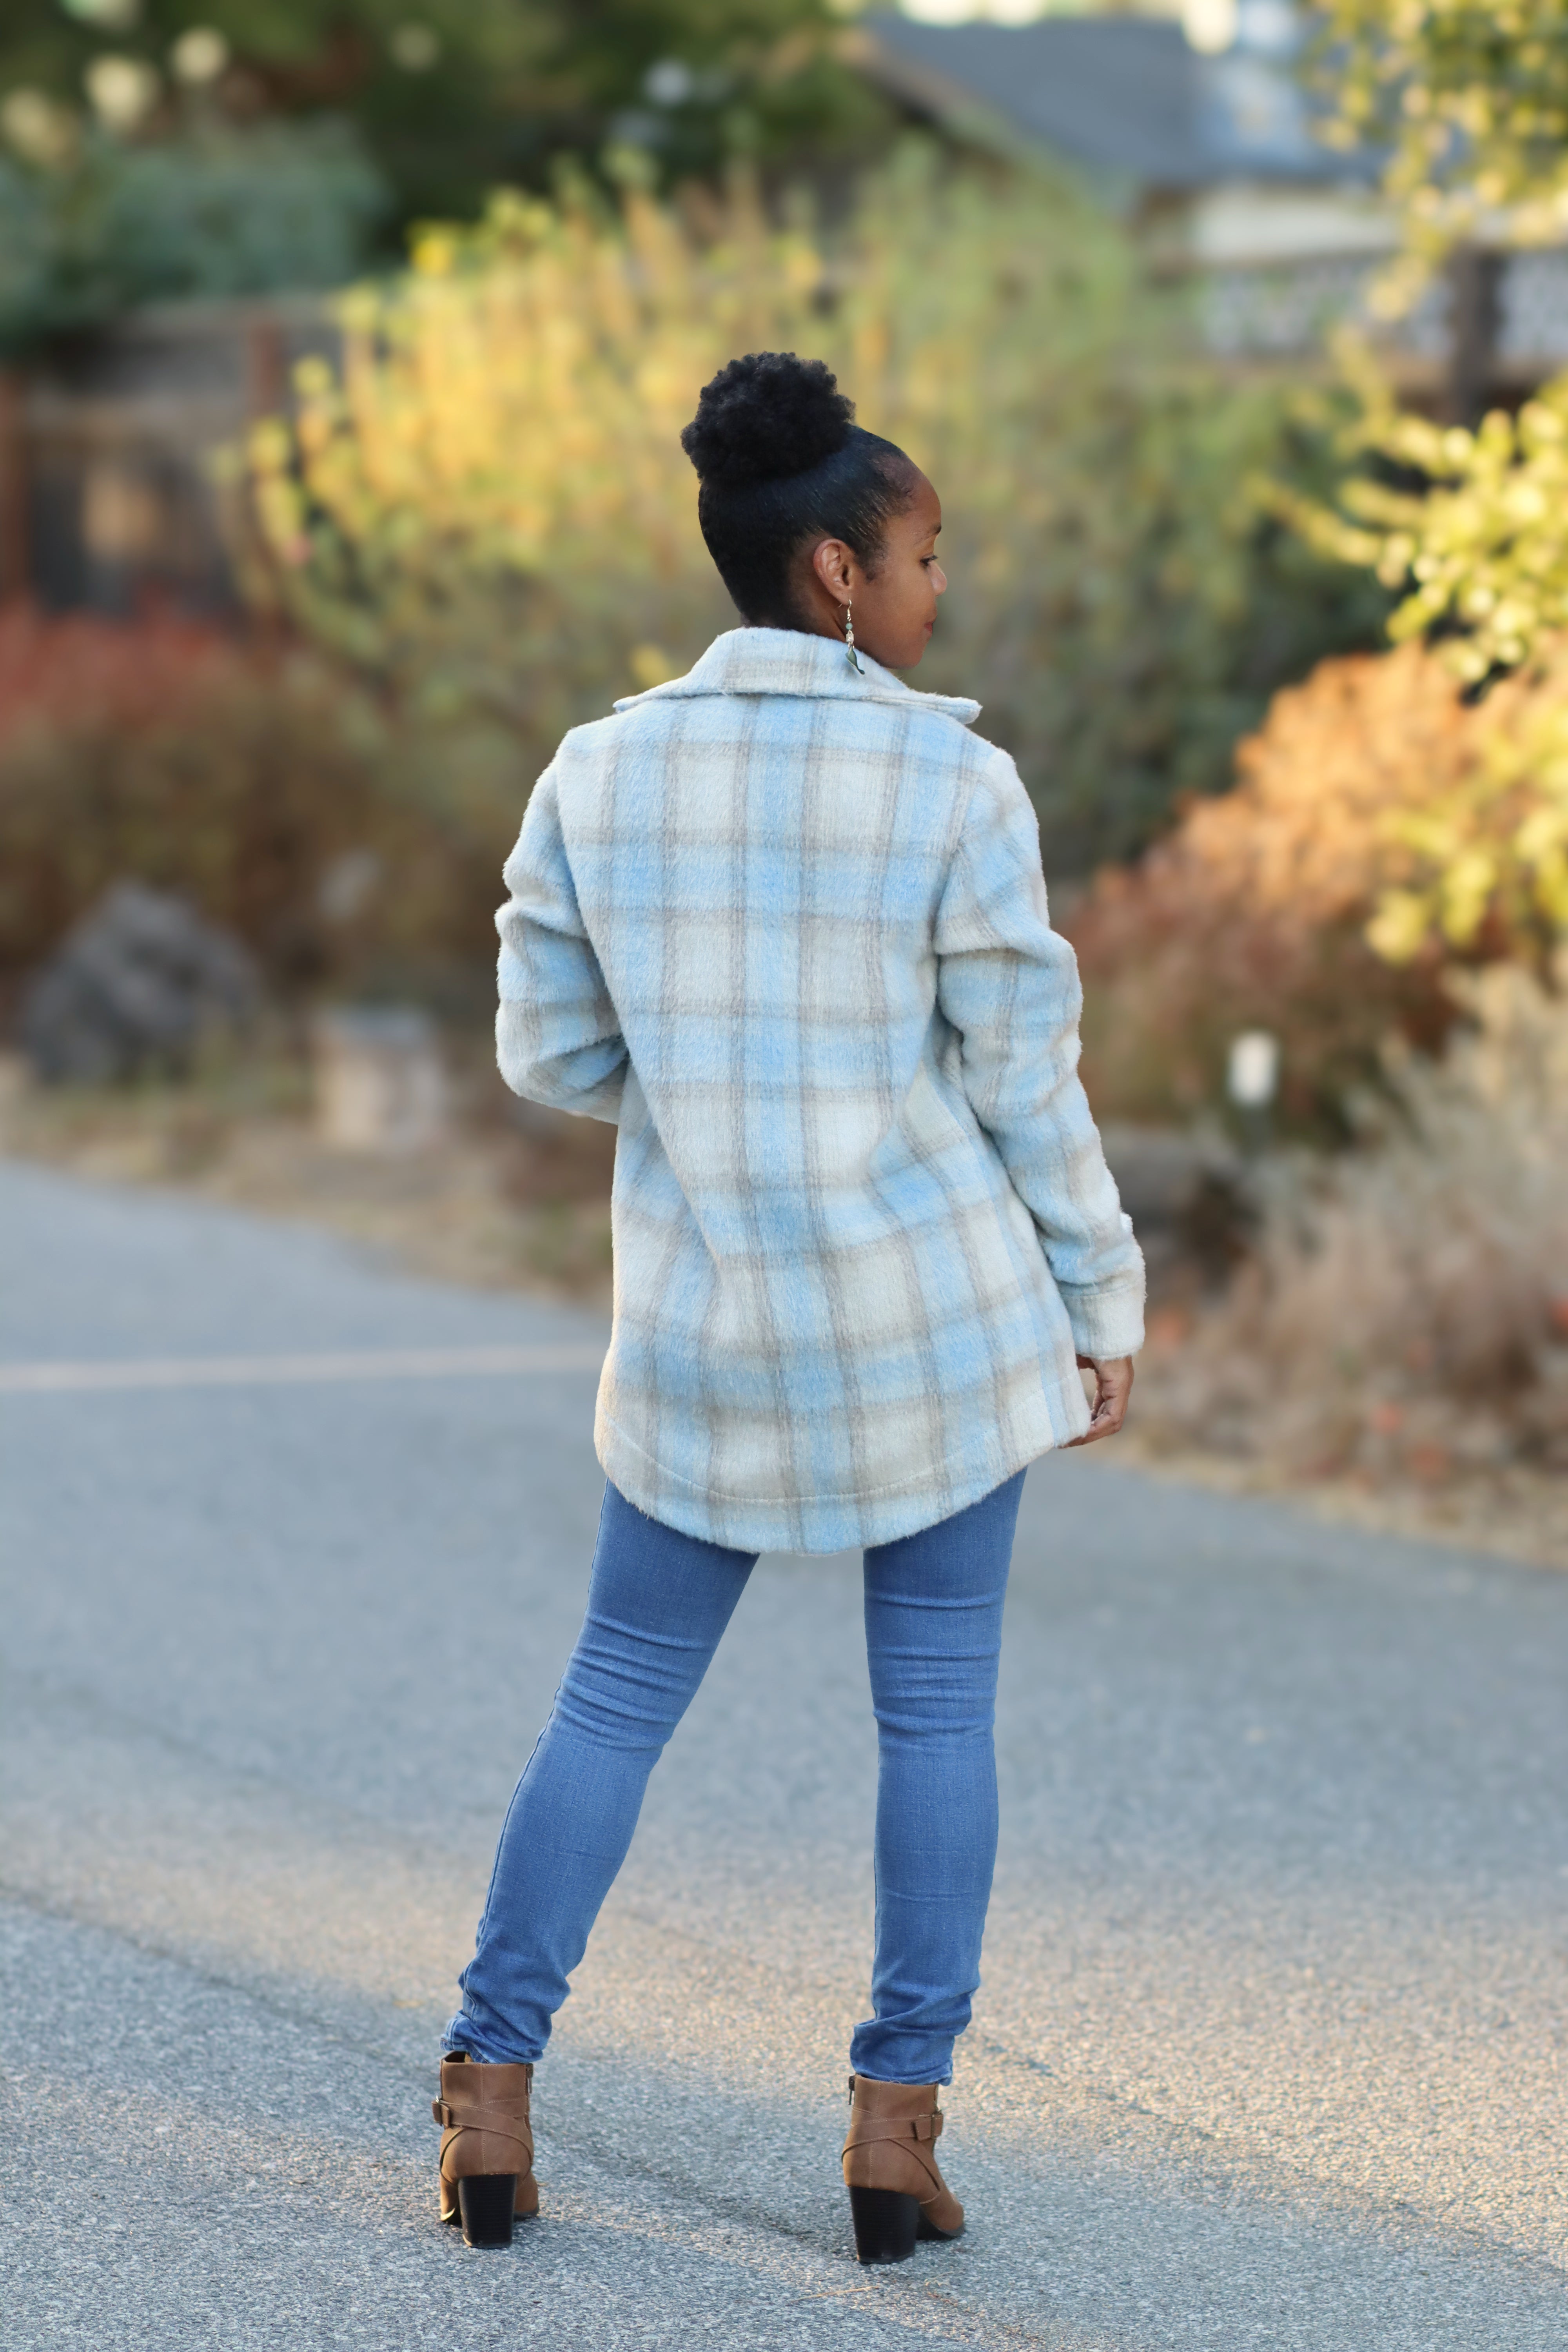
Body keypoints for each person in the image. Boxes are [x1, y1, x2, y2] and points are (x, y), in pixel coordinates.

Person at [432, 352, 1144, 2261]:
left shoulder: (598, 769)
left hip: (700, 1333)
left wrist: (704, 1091)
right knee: (937, 1720)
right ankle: (892, 2138)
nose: (938, 592)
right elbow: (1024, 1081)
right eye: (922, 557)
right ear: (836, 570)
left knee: (612, 1703)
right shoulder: (953, 780)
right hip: (935, 1328)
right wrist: (1103, 1295)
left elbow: (541, 1052)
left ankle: (490, 2095)